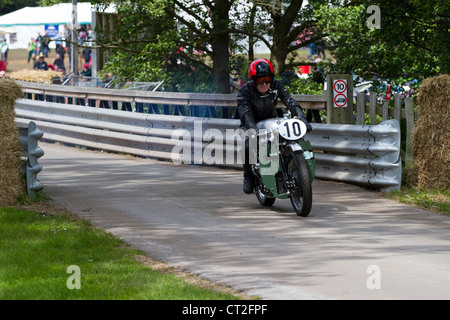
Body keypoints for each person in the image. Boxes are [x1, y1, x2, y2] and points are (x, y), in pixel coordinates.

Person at [237, 59, 312, 194]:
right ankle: (248, 174)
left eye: (266, 79)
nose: (264, 83)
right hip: (250, 122)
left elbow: (290, 101)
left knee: (286, 139)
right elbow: (245, 112)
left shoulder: (276, 85)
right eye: (260, 80)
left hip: (270, 120)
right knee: (248, 143)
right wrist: (252, 129)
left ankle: (290, 165)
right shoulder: (245, 90)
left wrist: (301, 118)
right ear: (253, 80)